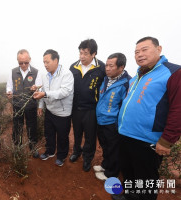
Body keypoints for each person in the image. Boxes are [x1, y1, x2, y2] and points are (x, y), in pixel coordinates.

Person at [113, 36, 181, 200]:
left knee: (146, 179)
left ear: (159, 49)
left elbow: (178, 109)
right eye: (136, 52)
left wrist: (167, 140)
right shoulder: (136, 77)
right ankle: (129, 196)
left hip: (147, 139)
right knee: (129, 173)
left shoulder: (173, 72)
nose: (140, 54)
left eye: (144, 50)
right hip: (125, 134)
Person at [69, 39, 106, 172]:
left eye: (85, 53)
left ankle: (87, 158)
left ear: (94, 54)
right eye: (80, 53)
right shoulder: (73, 67)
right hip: (76, 108)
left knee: (90, 136)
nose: (82, 56)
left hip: (91, 109)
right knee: (77, 133)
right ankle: (76, 152)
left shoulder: (101, 67)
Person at [33, 49, 74, 167]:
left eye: (47, 62)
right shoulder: (45, 75)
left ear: (56, 60)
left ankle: (61, 156)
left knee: (62, 136)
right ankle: (50, 151)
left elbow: (64, 92)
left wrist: (45, 94)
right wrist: (41, 106)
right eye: (44, 62)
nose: (45, 65)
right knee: (49, 133)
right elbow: (42, 91)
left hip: (62, 112)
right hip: (50, 110)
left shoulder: (66, 74)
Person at [94, 53, 131, 181]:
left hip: (112, 122)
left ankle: (111, 173)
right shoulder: (106, 79)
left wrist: (118, 124)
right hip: (101, 119)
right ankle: (106, 165)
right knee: (105, 145)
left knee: (113, 148)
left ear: (121, 67)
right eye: (107, 65)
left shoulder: (127, 83)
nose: (107, 68)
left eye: (111, 66)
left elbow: (125, 106)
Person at [6, 49, 42, 158]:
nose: (23, 65)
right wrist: (9, 92)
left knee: (32, 127)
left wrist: (36, 89)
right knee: (17, 127)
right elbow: (9, 86)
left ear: (29, 60)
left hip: (31, 105)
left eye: (26, 62)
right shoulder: (13, 72)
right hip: (17, 105)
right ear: (17, 61)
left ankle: (33, 147)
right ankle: (17, 147)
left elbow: (40, 88)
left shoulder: (36, 72)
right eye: (20, 63)